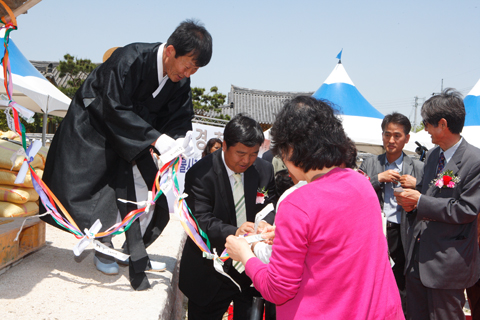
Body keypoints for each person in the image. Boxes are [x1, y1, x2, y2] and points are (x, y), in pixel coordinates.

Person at [39, 20, 213, 290]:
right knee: (100, 188)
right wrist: (156, 137)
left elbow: (179, 117)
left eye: (195, 69)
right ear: (170, 51)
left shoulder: (180, 81)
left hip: (135, 136)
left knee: (149, 189)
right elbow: (113, 107)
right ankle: (102, 246)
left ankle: (135, 248)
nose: (188, 73)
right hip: (96, 127)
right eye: (187, 65)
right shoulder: (131, 58)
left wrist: (181, 138)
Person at [225, 96, 403, 320]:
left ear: (290, 150)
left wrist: (244, 254)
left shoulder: (298, 203)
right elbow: (335, 240)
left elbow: (277, 289)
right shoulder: (360, 182)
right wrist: (283, 235)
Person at [178, 114, 277, 320]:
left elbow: (269, 205)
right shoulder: (200, 174)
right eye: (240, 153)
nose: (246, 160)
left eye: (253, 154)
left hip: (251, 270)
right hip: (209, 271)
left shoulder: (264, 170)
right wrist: (235, 232)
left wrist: (266, 224)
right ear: (224, 145)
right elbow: (201, 220)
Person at [395, 88, 480, 320]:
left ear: (442, 124)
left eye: (426, 123)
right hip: (418, 259)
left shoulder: (475, 161)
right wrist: (410, 201)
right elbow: (427, 192)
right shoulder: (433, 155)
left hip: (447, 264)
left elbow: (466, 210)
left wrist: (421, 201)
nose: (425, 129)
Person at [359, 112, 424, 315]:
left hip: (404, 230)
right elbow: (356, 191)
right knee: (373, 279)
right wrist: (379, 178)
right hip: (376, 230)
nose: (391, 140)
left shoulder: (418, 167)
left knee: (402, 281)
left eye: (397, 135)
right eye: (387, 135)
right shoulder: (370, 163)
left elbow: (429, 198)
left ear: (407, 138)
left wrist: (417, 185)